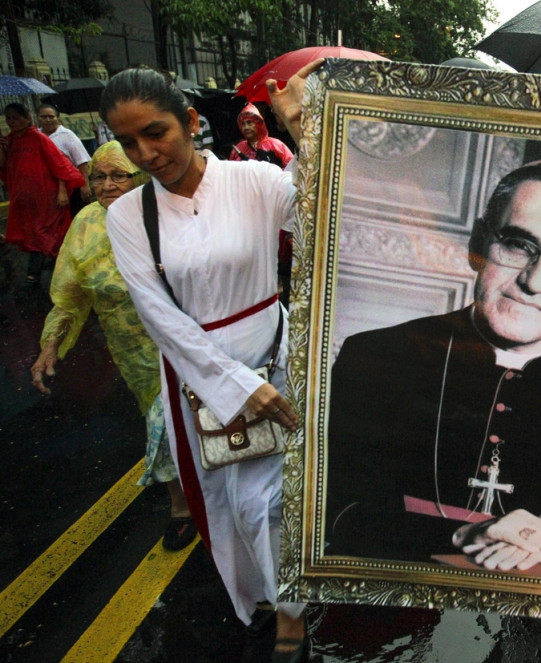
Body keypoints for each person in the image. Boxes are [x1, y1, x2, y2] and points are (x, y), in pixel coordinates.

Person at [325, 159, 541, 575]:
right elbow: (335, 509)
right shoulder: (378, 357)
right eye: (518, 245)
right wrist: (463, 535)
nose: (535, 282)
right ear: (479, 243)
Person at [100, 66, 312, 662]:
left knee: (269, 503)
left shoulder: (256, 180)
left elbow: (321, 219)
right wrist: (234, 384)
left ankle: (291, 614)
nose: (146, 154)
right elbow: (157, 315)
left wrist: (303, 130)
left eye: (156, 132)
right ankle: (258, 597)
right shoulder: (129, 215)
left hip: (275, 356)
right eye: (129, 142)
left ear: (191, 123)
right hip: (198, 376)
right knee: (224, 501)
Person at [29, 141, 194, 551]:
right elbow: (69, 297)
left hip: (188, 340)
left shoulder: (166, 210)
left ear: (139, 176)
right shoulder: (86, 224)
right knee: (161, 421)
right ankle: (182, 504)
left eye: (119, 175)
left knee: (191, 419)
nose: (107, 185)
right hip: (135, 354)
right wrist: (50, 346)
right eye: (99, 177)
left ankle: (212, 495)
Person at [0, 103, 85, 293]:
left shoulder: (39, 138)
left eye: (15, 118)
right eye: (8, 119)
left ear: (27, 119)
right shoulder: (10, 141)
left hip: (46, 198)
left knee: (43, 233)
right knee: (34, 234)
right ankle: (60, 267)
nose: (12, 122)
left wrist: (62, 191)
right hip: (24, 201)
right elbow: (4, 168)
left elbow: (59, 164)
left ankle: (33, 276)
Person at [228, 103, 295, 308]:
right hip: (249, 209)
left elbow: (291, 173)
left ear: (260, 124)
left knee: (280, 250)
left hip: (275, 206)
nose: (247, 127)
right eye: (243, 123)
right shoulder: (238, 150)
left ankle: (283, 291)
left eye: (251, 122)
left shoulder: (276, 146)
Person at [38, 103, 94, 218]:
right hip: (46, 190)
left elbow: (82, 161)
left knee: (76, 217)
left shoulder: (67, 135)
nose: (47, 120)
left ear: (57, 117)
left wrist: (85, 186)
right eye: (44, 117)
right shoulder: (36, 136)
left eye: (51, 116)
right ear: (37, 118)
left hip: (71, 187)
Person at [229, 103, 294, 166]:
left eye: (249, 123)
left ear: (258, 124)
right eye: (243, 124)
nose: (246, 127)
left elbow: (292, 166)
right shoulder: (239, 148)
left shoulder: (275, 144)